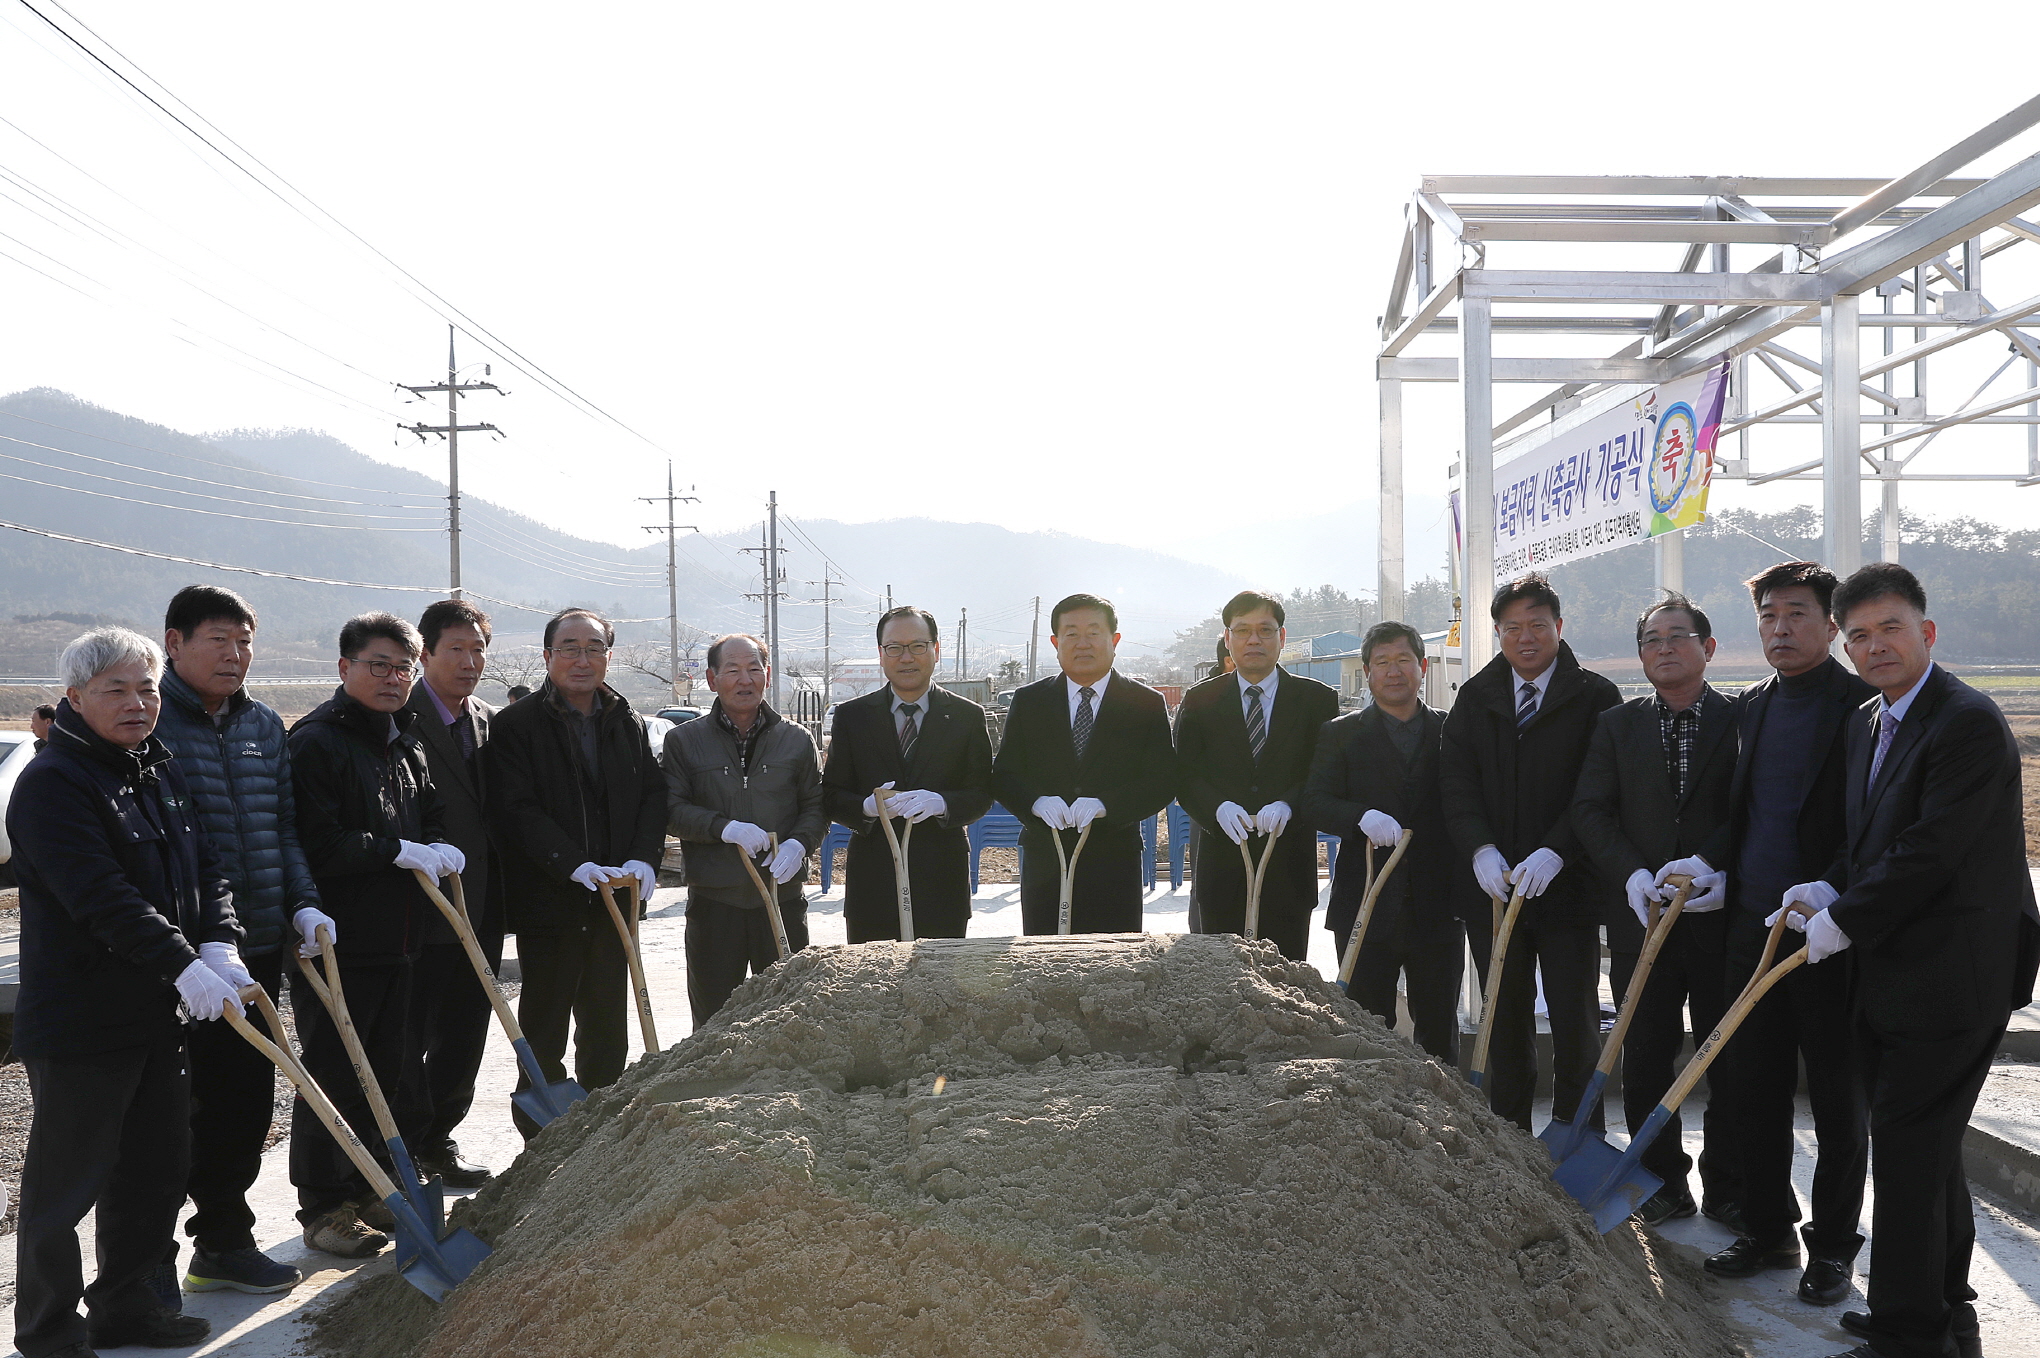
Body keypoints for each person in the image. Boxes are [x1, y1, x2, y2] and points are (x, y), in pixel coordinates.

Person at [1784, 564, 2039, 1358]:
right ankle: (1945, 1308)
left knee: (1904, 1145)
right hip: (1899, 967)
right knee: (1923, 1148)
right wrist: (1830, 882)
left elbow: (1931, 850)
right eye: (1857, 634)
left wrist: (1847, 918)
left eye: (1889, 627)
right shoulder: (1872, 718)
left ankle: (1907, 1332)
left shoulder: (1963, 720)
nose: (1874, 645)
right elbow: (1875, 839)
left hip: (1955, 970)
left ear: (1926, 633)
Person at [8, 627, 242, 1357]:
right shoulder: (53, 784)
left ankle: (129, 1308)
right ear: (75, 699)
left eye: (146, 687)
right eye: (117, 689)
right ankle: (48, 1331)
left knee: (153, 1172)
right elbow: (100, 896)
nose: (138, 703)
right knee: (65, 1186)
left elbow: (207, 866)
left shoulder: (155, 768)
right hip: (81, 1019)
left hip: (154, 1016)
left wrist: (219, 939)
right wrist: (181, 961)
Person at [1698, 561, 1873, 1301]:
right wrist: (1711, 869)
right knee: (1752, 1089)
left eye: (1797, 614)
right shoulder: (1754, 706)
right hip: (1752, 928)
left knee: (1837, 1096)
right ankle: (1768, 1228)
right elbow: (1746, 815)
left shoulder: (1863, 708)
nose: (1780, 628)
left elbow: (1876, 823)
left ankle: (1832, 1248)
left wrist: (1833, 889)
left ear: (1832, 626)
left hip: (1830, 931)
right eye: (1769, 615)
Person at [153, 585, 327, 1299]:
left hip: (252, 944)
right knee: (172, 1108)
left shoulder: (261, 723)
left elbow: (282, 828)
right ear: (174, 641)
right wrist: (184, 947)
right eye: (218, 639)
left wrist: (303, 904)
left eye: (245, 641)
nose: (235, 655)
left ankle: (222, 1242)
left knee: (245, 1099)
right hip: (176, 955)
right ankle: (145, 1262)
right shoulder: (151, 722)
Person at [287, 612, 458, 1257]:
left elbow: (433, 813)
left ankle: (368, 1192)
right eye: (378, 666)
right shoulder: (317, 743)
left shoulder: (405, 741)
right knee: (334, 1069)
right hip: (337, 942)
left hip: (403, 937)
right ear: (344, 668)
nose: (393, 678)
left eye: (403, 668)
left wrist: (440, 848)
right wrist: (398, 852)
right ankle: (324, 1206)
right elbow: (319, 840)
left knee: (387, 1069)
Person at [1571, 593, 1740, 1228]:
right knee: (1644, 1051)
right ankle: (1661, 1179)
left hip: (1720, 912)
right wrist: (1632, 873)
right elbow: (1591, 808)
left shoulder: (1741, 719)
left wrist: (1714, 864)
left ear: (1708, 647)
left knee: (1725, 1050)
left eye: (1677, 636)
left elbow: (1751, 808)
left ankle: (1729, 1185)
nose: (1663, 648)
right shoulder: (1618, 725)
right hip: (1641, 915)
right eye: (1651, 640)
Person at [1439, 572, 1621, 1131]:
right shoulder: (1475, 697)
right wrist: (1479, 851)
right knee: (1504, 1018)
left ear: (1559, 628)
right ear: (1497, 633)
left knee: (1575, 1019)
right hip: (1493, 892)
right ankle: (1511, 1137)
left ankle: (1578, 1135)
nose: (1525, 637)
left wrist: (1557, 851)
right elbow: (1457, 785)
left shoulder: (1595, 696)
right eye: (1512, 627)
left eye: (1537, 625)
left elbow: (1598, 788)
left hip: (1569, 889)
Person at [487, 609, 668, 1132]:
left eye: (594, 647)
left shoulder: (625, 719)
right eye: (569, 647)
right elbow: (515, 808)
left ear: (609, 657)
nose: (581, 659)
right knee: (544, 1021)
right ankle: (540, 1139)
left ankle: (601, 1130)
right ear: (547, 656)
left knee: (608, 1021)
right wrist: (571, 863)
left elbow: (652, 796)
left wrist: (643, 857)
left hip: (615, 897)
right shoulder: (517, 725)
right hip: (551, 899)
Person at [1301, 621, 1463, 1061]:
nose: (1394, 671)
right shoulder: (1340, 733)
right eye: (1382, 663)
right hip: (1365, 904)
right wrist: (1359, 816)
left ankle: (1444, 1124)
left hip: (1439, 907)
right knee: (1367, 1028)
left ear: (1423, 667)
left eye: (1404, 661)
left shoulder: (1452, 732)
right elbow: (1314, 800)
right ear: (1368, 673)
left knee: (1439, 1027)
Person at [990, 594, 1175, 934]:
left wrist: (1107, 805)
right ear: (1055, 642)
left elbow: (1162, 779)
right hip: (1046, 857)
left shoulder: (1145, 703)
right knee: (1044, 962)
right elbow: (1005, 773)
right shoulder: (1030, 701)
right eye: (1071, 634)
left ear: (1114, 640)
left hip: (1114, 860)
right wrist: (1035, 802)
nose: (1083, 643)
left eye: (1094, 632)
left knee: (1115, 969)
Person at [395, 599, 501, 1188]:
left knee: (467, 1028)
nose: (469, 661)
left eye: (478, 649)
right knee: (412, 1034)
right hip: (420, 904)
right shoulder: (399, 714)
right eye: (455, 649)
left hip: (479, 901)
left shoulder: (484, 718)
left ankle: (439, 1140)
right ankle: (406, 1149)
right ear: (425, 653)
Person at [664, 634, 823, 1020]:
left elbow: (816, 806)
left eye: (754, 669)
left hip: (781, 898)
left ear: (767, 675)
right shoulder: (684, 741)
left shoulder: (797, 740)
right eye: (732, 670)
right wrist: (723, 828)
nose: (745, 679)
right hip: (715, 902)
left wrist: (799, 845)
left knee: (788, 1015)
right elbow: (669, 808)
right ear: (711, 678)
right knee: (715, 1019)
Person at [1175, 591, 1338, 960]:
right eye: (1243, 630)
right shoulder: (1200, 700)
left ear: (1282, 638)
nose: (1253, 640)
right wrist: (1217, 808)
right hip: (1220, 868)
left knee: (1286, 985)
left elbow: (1324, 772)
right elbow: (1184, 775)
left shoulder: (1316, 700)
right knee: (1218, 986)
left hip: (1288, 868)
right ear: (1227, 637)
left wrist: (1289, 804)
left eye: (1265, 630)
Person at [820, 607, 993, 942]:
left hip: (942, 881)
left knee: (939, 988)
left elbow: (982, 792)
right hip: (873, 882)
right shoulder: (853, 717)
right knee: (873, 986)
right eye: (894, 648)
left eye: (917, 646)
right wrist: (866, 809)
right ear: (881, 655)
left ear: (935, 651)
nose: (906, 657)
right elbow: (832, 795)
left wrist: (942, 803)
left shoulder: (966, 716)